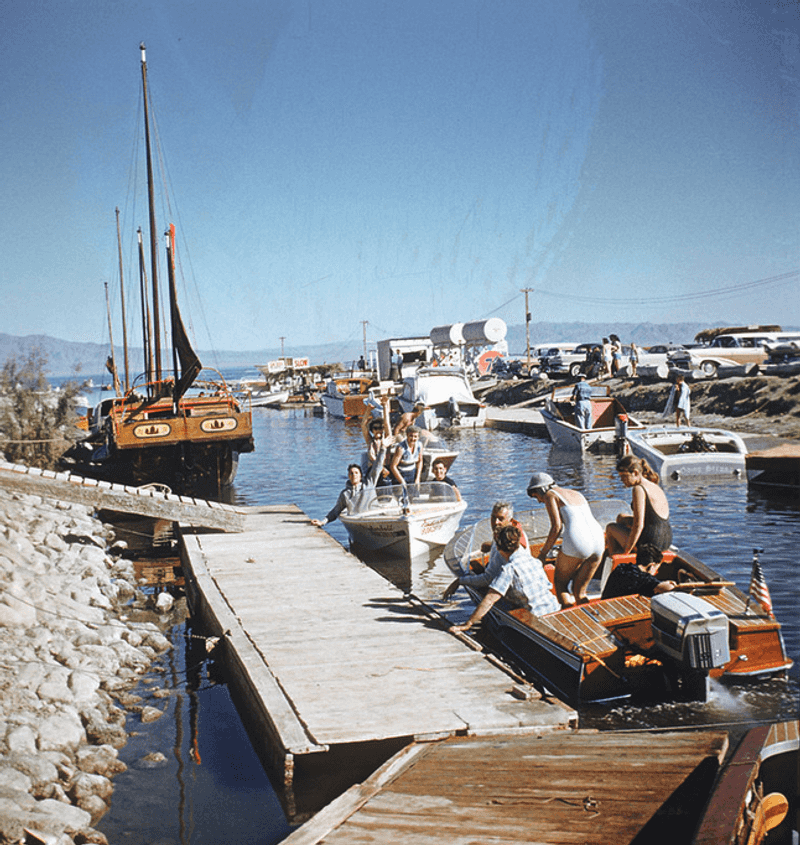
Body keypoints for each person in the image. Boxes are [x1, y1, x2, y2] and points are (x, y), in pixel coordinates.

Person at [448, 525, 559, 633]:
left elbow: (490, 600)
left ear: (497, 548)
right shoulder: (534, 561)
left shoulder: (508, 570)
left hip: (537, 617)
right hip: (555, 609)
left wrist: (468, 624)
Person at [526, 471, 605, 607]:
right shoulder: (576, 493)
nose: (539, 500)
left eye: (537, 496)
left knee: (561, 584)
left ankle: (569, 620)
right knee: (580, 591)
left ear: (542, 490)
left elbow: (556, 528)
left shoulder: (550, 495)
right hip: (599, 540)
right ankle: (588, 621)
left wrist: (543, 553)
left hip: (578, 541)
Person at [442, 501, 527, 599]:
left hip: (511, 592)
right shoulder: (517, 533)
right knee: (475, 564)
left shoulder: (502, 547)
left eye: (501, 519)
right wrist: (490, 545)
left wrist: (459, 581)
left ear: (509, 520)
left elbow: (487, 579)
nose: (496, 523)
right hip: (519, 582)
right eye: (493, 517)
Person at [311, 437, 393, 527]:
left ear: (361, 475)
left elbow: (377, 466)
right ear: (349, 476)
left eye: (356, 473)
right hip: (359, 523)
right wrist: (323, 522)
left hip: (373, 519)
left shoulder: (369, 483)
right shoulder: (345, 494)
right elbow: (335, 511)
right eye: (351, 473)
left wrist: (383, 448)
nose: (354, 475)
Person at [605, 454, 672, 555]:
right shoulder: (653, 485)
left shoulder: (639, 489)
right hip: (666, 540)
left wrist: (626, 552)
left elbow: (638, 525)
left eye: (624, 476)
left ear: (635, 473)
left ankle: (614, 561)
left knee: (610, 528)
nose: (621, 480)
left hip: (650, 543)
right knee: (621, 517)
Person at [601, 543, 677, 600]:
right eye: (656, 568)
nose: (656, 572)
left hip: (604, 607)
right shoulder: (644, 579)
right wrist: (672, 583)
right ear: (651, 565)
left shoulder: (621, 567)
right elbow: (672, 590)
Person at [360, 396, 393, 485]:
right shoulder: (371, 441)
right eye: (375, 428)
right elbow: (363, 425)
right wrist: (368, 410)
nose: (378, 430)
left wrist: (385, 406)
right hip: (374, 470)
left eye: (380, 428)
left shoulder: (387, 439)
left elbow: (387, 423)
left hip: (386, 470)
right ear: (372, 430)